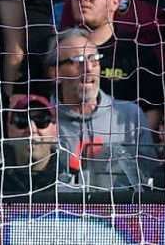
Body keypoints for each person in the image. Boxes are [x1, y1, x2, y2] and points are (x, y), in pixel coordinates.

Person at [44, 28, 154, 191]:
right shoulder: (42, 122)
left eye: (94, 60)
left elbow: (148, 176)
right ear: (55, 73)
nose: (88, 68)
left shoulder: (130, 116)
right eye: (78, 61)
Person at [0, 94, 71, 195]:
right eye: (22, 121)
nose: (32, 129)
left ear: (55, 130)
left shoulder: (71, 181)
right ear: (9, 130)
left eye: (41, 120)